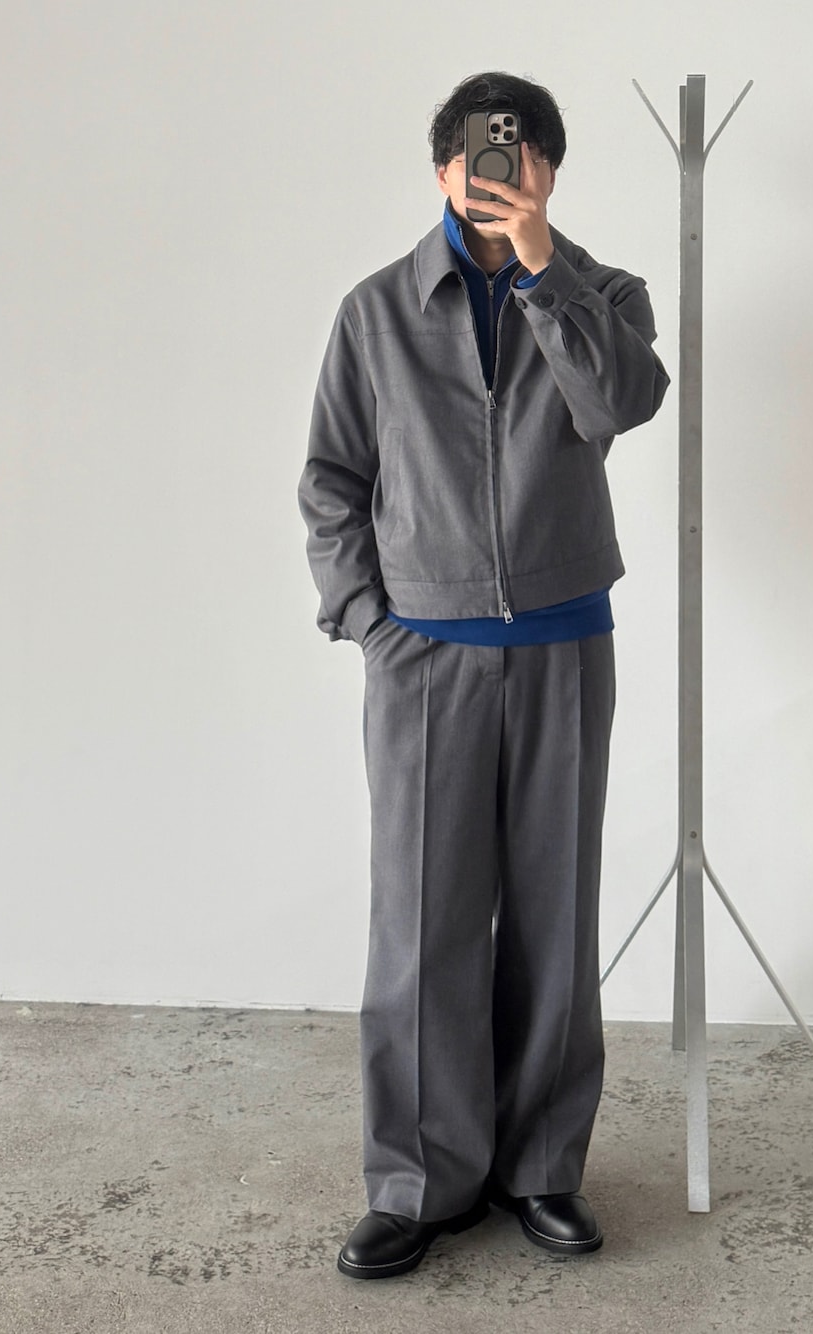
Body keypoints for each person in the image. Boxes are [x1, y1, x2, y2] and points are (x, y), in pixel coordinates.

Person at [298, 71, 669, 1280]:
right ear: (439, 168)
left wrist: (544, 267)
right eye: (474, 153)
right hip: (425, 660)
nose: (494, 172)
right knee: (421, 927)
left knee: (553, 921)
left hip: (564, 646)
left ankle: (543, 1168)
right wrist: (371, 621)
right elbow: (332, 480)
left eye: (518, 155)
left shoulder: (606, 294)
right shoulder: (376, 311)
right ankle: (418, 1180)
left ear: (549, 169)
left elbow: (619, 403)